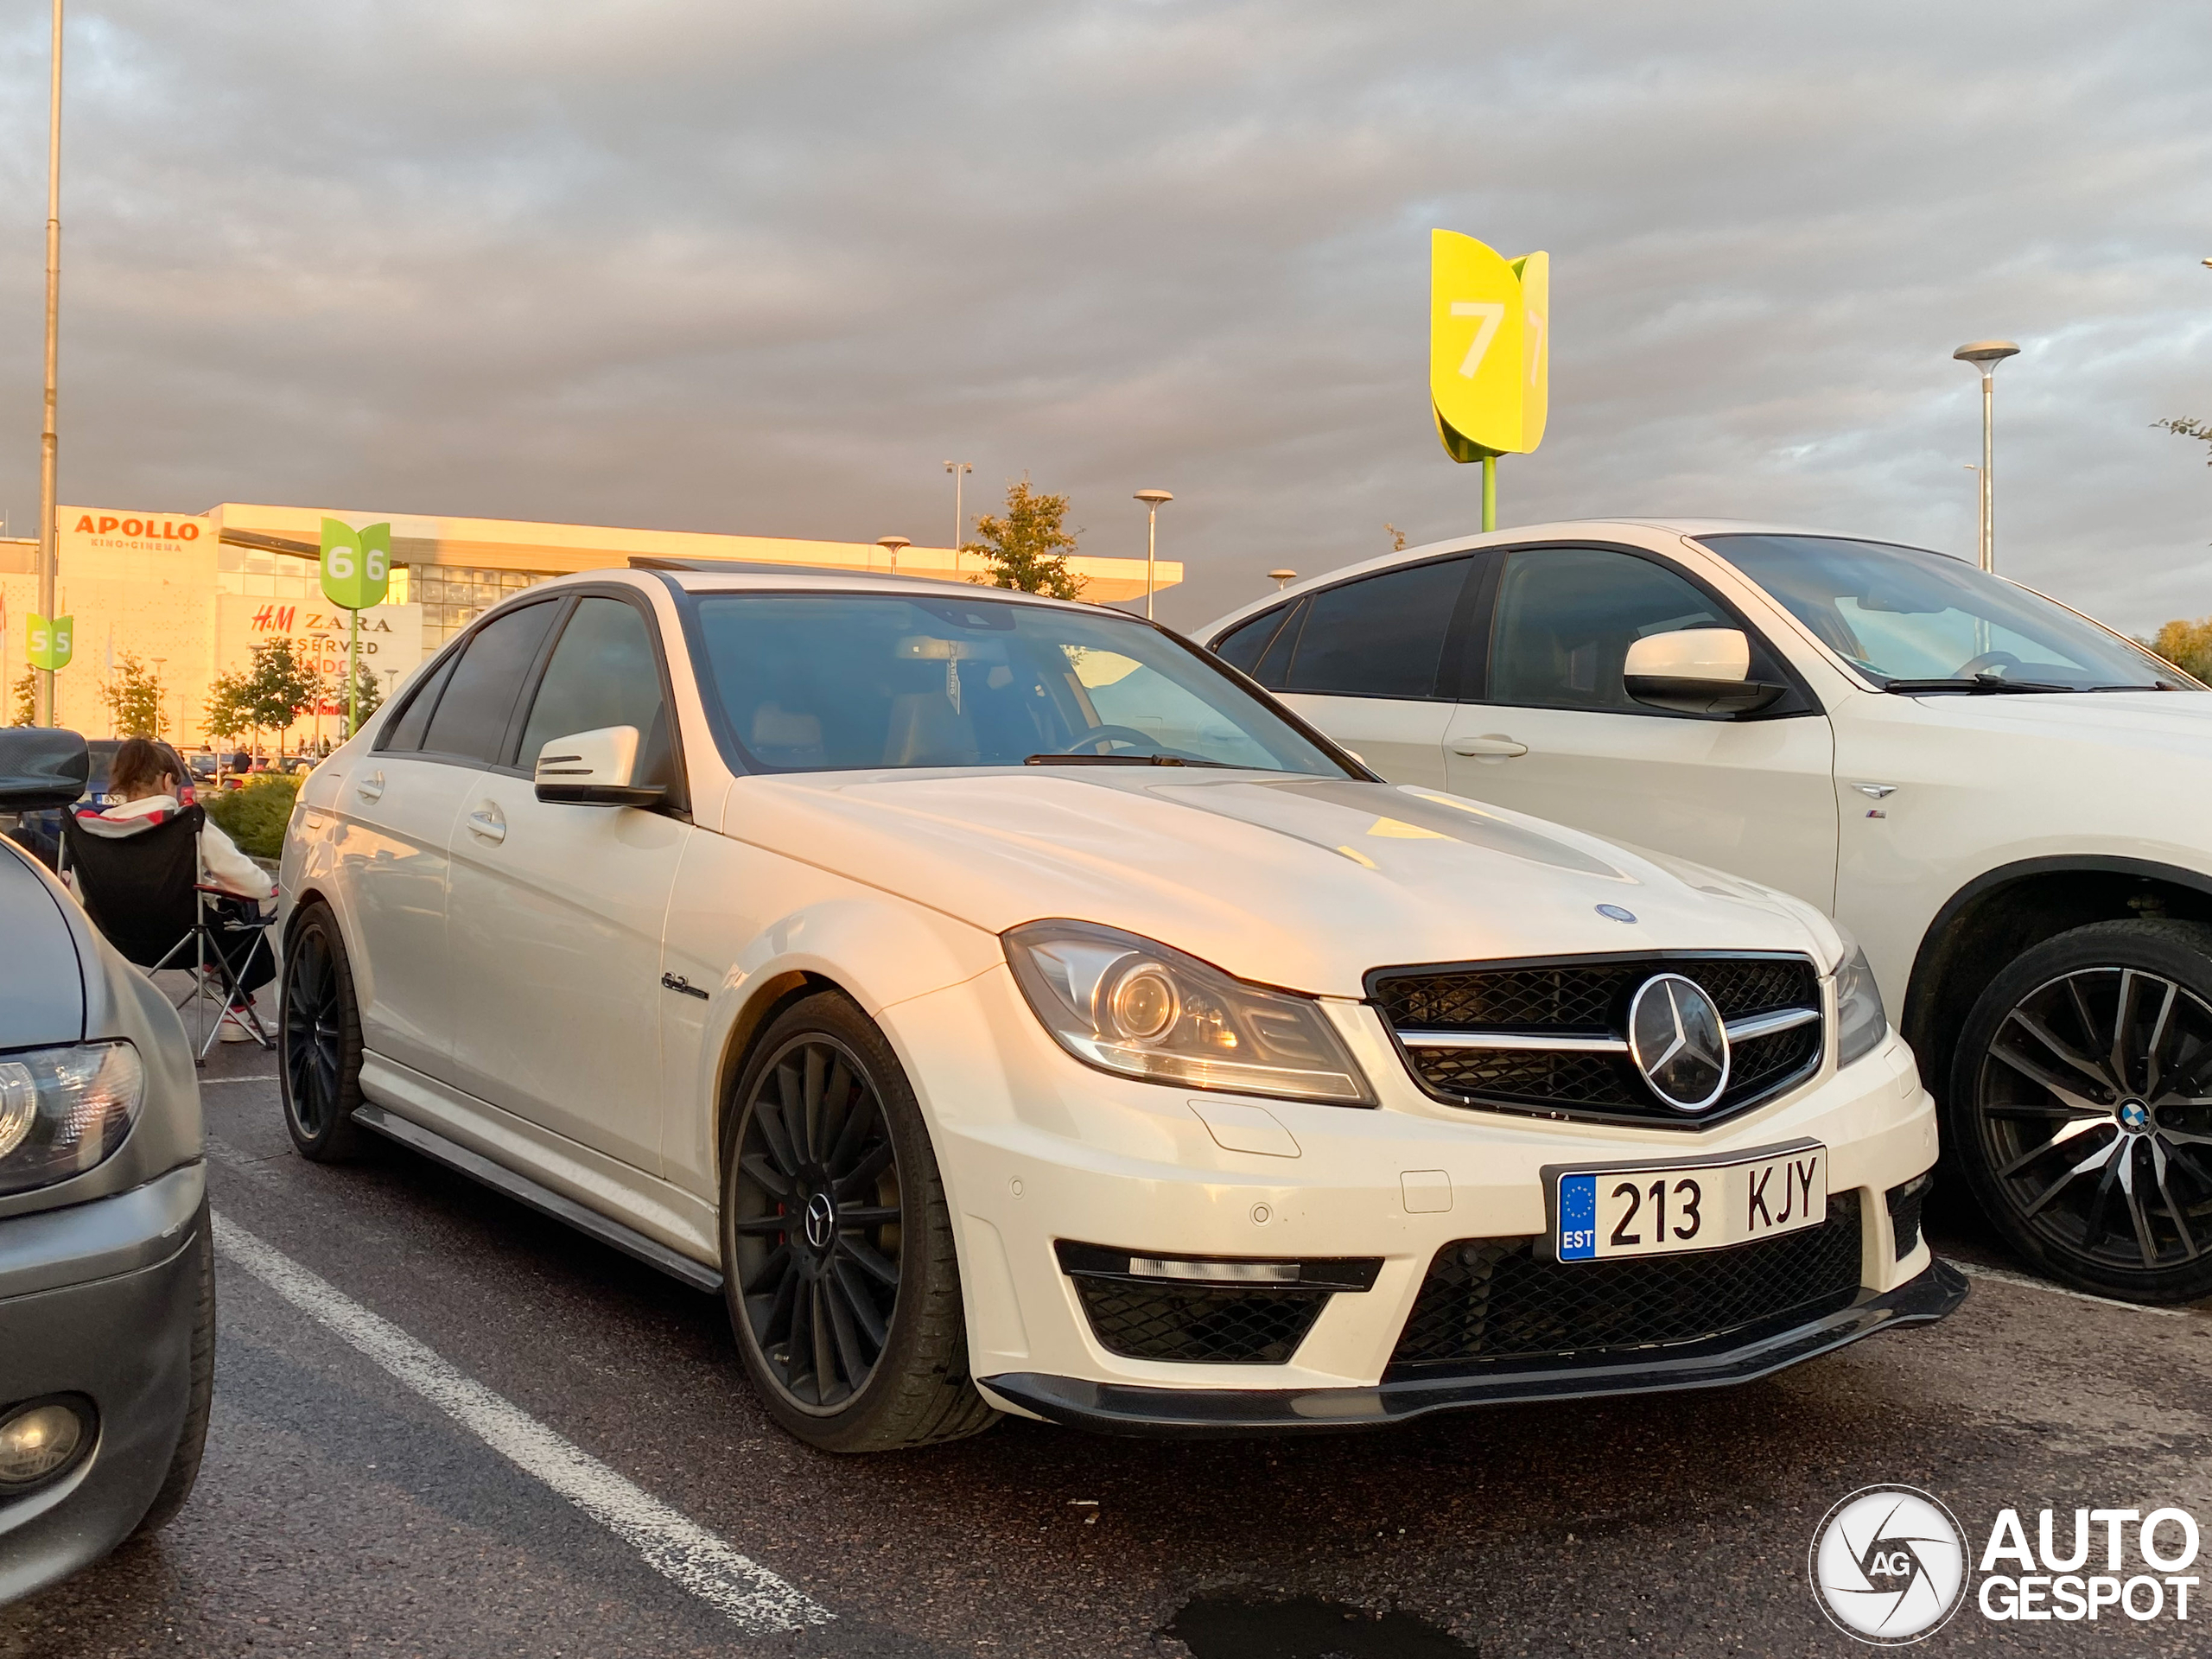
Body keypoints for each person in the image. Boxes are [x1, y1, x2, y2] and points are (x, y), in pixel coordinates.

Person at [72, 735, 276, 1040]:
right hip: (187, 940)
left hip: (116, 939)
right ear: (168, 780)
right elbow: (256, 886)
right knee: (240, 908)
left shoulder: (94, 828)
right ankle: (237, 1006)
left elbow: (78, 893)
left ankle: (226, 989)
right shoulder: (185, 823)